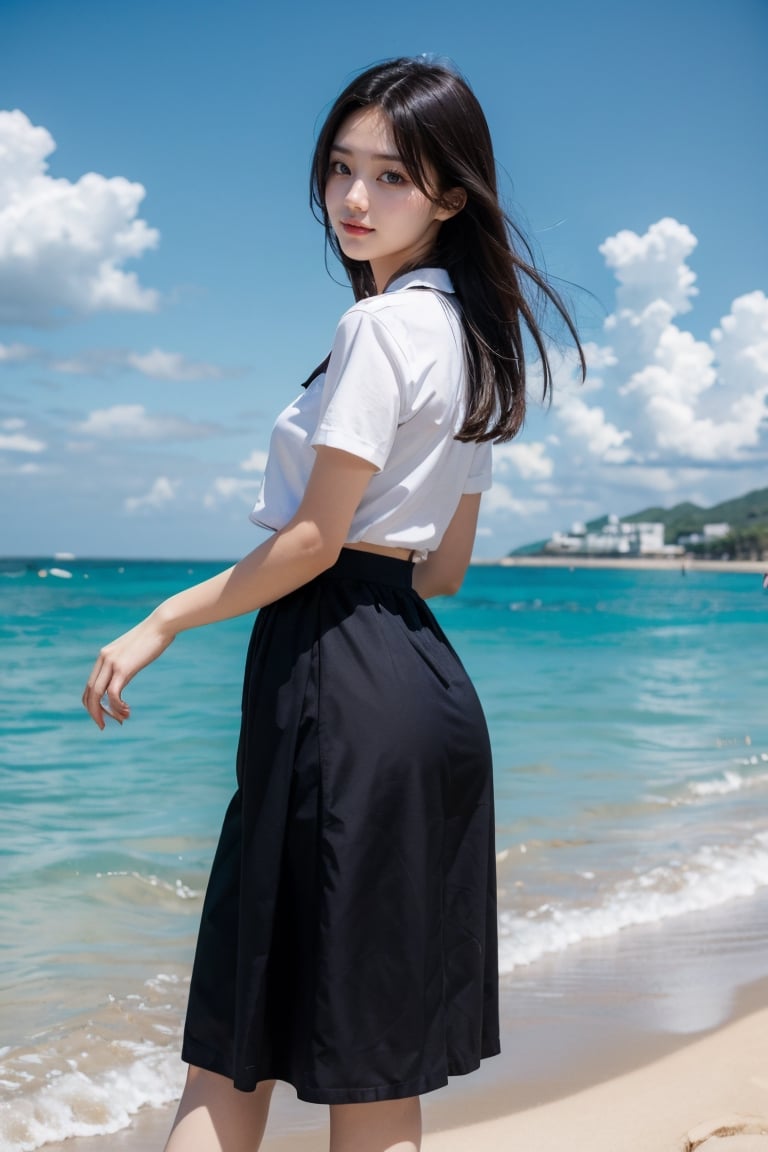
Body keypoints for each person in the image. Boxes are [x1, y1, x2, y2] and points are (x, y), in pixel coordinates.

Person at [83, 56, 584, 1152]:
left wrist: (160, 618)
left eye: (392, 176)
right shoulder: (478, 344)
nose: (355, 200)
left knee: (233, 1044)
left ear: (451, 194)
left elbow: (315, 541)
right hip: (425, 692)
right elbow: (441, 570)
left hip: (333, 689)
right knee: (375, 1068)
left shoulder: (376, 331)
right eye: (340, 169)